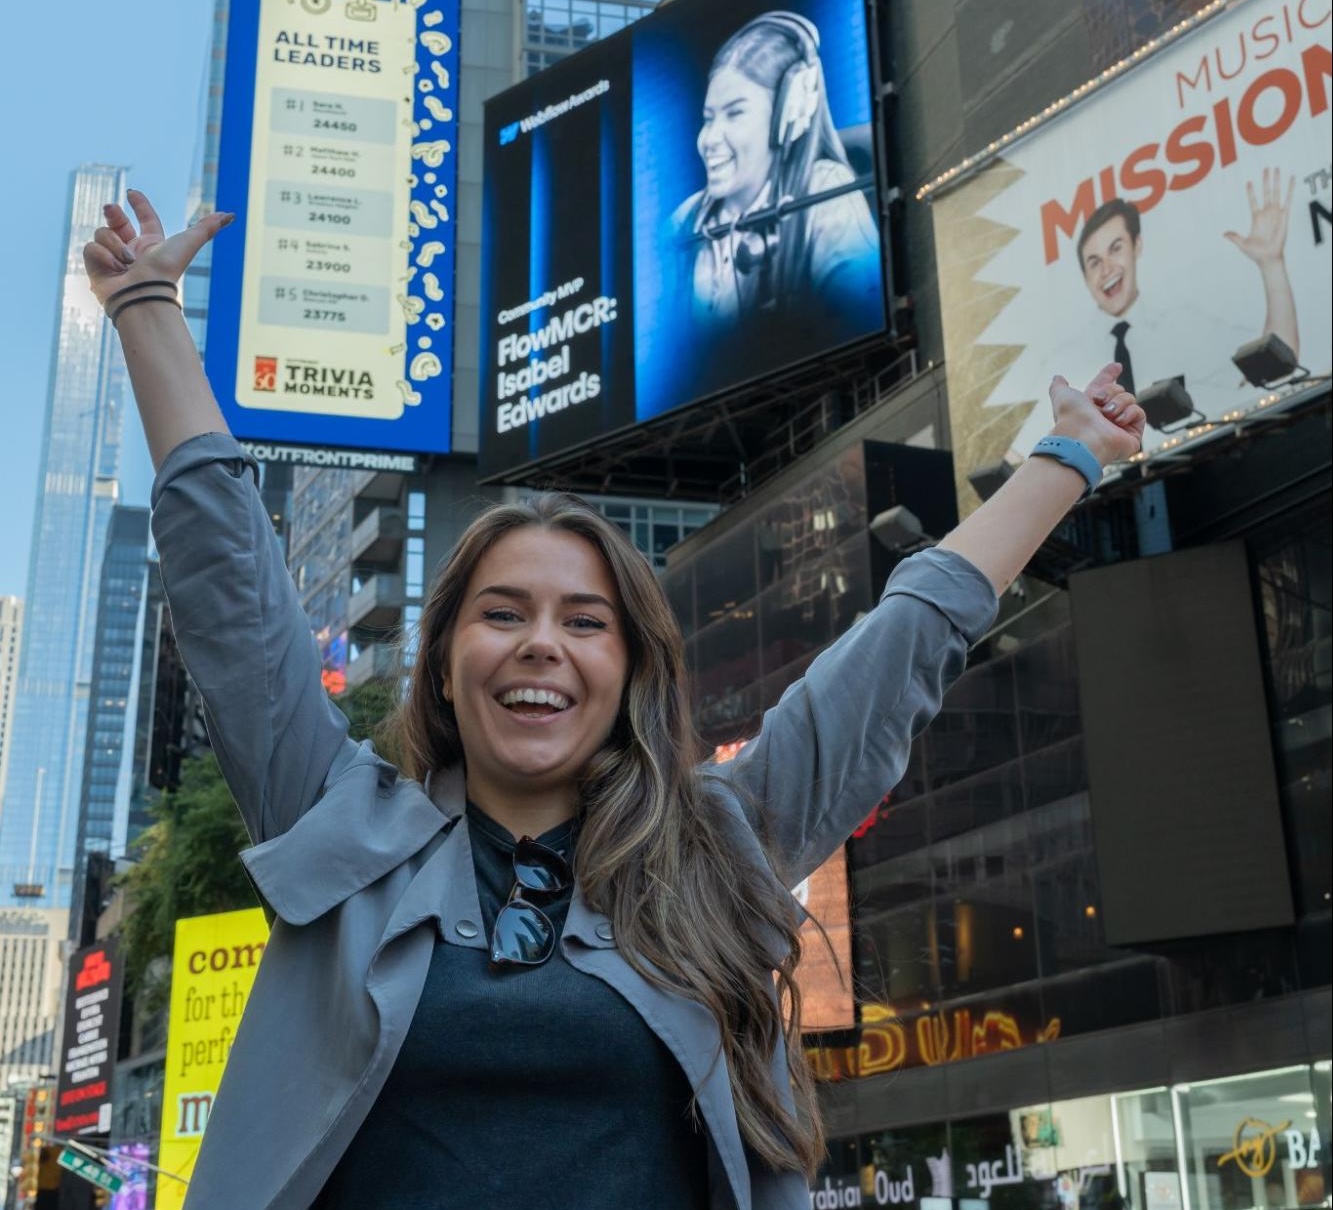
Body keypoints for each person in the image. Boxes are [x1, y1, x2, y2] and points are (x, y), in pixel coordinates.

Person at [84, 191, 1144, 1210]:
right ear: (446, 659)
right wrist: (145, 308)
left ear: (631, 668)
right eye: (502, 613)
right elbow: (233, 594)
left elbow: (900, 647)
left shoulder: (716, 844)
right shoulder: (336, 819)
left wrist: (1068, 457)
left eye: (585, 622)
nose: (542, 642)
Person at [669, 12, 881, 377]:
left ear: (790, 113)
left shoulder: (823, 190)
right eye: (708, 118)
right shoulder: (682, 223)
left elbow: (857, 315)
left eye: (734, 114)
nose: (710, 140)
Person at [1074, 171, 1300, 408]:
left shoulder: (1185, 324)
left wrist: (1272, 265)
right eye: (1094, 262)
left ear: (1136, 246)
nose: (1107, 269)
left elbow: (1277, 364)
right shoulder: (1063, 364)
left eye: (1115, 249)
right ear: (1085, 276)